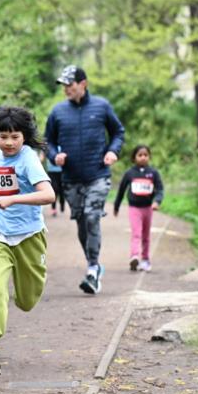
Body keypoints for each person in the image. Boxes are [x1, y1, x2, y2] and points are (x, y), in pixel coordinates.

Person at [0, 106, 55, 377]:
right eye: (3, 136)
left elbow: (48, 195)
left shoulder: (28, 160)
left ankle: (23, 286)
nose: (8, 142)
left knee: (27, 300)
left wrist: (14, 198)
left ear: (24, 137)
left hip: (29, 237)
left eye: (14, 136)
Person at [45, 65, 125, 295]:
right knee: (82, 222)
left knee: (92, 217)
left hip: (97, 175)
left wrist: (113, 151)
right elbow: (47, 140)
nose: (66, 90)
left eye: (69, 85)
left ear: (83, 84)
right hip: (71, 179)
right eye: (64, 86)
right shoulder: (58, 112)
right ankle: (94, 264)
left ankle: (92, 269)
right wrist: (54, 155)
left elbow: (118, 132)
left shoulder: (102, 106)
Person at [113, 144, 164, 272]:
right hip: (134, 208)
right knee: (136, 233)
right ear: (134, 157)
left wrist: (157, 201)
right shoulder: (130, 173)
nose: (143, 158)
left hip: (148, 208)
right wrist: (116, 205)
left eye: (145, 155)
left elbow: (160, 189)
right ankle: (134, 256)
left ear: (149, 157)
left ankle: (145, 260)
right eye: (140, 155)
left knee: (146, 235)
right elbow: (121, 190)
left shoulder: (153, 173)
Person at [44, 147, 65, 217]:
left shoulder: (61, 146)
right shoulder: (48, 147)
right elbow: (42, 156)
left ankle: (62, 203)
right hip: (51, 172)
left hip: (61, 172)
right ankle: (54, 208)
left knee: (61, 190)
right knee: (54, 189)